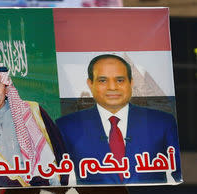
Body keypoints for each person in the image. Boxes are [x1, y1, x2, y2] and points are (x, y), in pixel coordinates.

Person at [56, 54, 181, 185]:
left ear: (131, 82)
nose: (112, 87)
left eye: (120, 80)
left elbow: (180, 177)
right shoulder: (65, 127)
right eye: (103, 80)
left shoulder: (162, 122)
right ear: (90, 83)